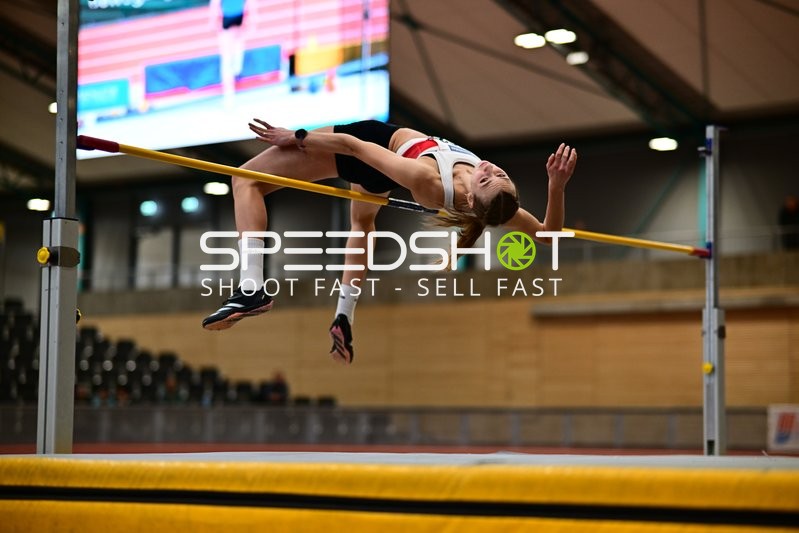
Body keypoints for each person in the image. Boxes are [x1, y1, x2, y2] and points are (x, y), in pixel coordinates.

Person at [202, 119, 578, 364]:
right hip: (382, 169)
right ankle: (344, 316)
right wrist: (555, 187)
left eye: (486, 177)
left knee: (244, 179)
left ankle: (251, 287)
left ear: (471, 200)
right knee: (362, 223)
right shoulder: (496, 204)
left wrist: (297, 137)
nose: (488, 169)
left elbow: (352, 146)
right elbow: (548, 236)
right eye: (498, 172)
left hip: (369, 144)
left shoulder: (427, 178)